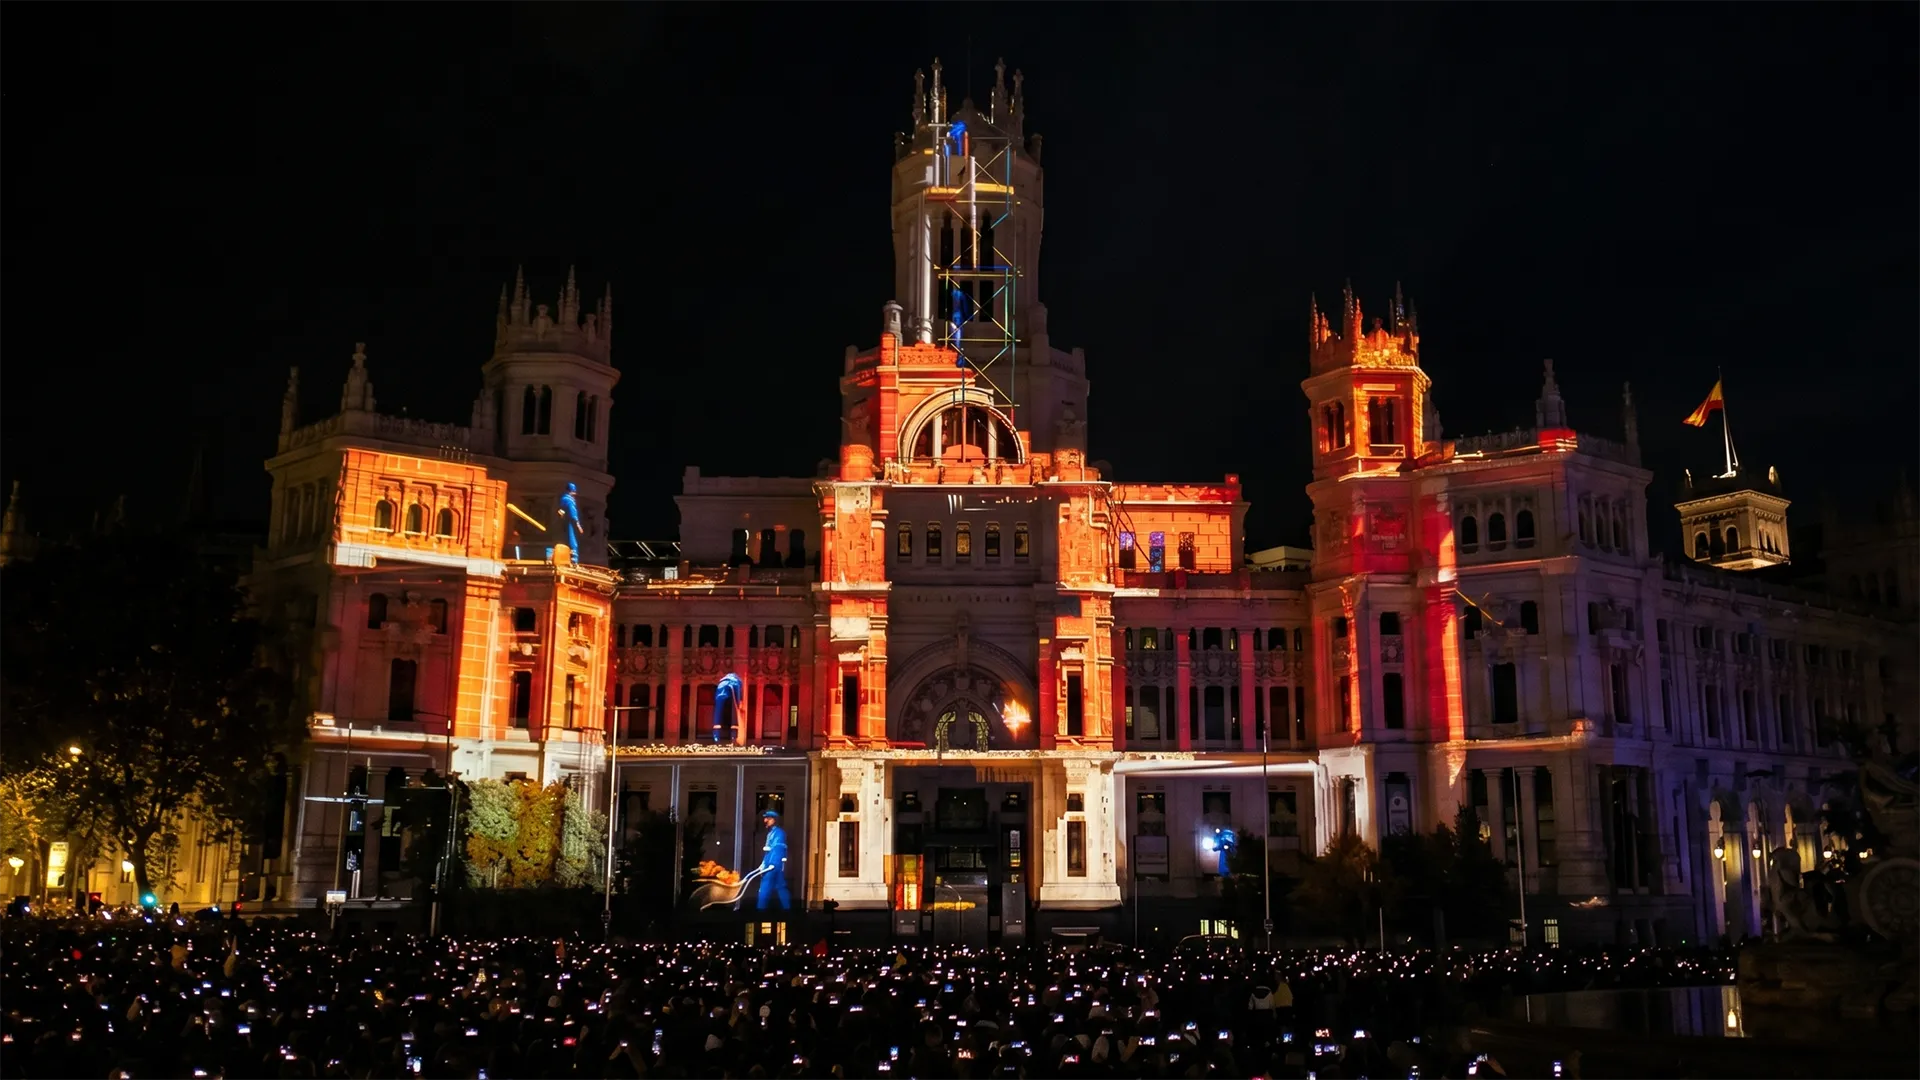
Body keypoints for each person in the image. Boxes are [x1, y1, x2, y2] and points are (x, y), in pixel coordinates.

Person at [756, 809, 792, 910]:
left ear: (774, 820)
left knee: (765, 887)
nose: (765, 821)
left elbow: (777, 849)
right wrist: (763, 864)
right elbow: (768, 851)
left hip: (773, 865)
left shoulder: (779, 833)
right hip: (772, 865)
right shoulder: (771, 833)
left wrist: (771, 864)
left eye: (767, 818)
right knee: (781, 887)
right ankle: (787, 909)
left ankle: (760, 910)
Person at [713, 673, 743, 743]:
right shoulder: (737, 681)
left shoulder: (722, 682)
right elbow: (737, 699)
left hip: (720, 687)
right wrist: (738, 706)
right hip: (732, 685)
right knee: (734, 712)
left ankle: (716, 737)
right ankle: (734, 737)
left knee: (718, 711)